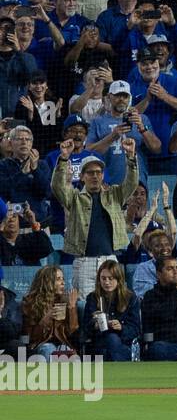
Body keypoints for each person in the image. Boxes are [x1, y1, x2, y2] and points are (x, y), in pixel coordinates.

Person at [52, 136, 139, 297]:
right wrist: (63, 158)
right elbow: (57, 186)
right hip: (84, 262)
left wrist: (131, 157)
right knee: (86, 306)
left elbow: (132, 184)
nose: (95, 176)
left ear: (103, 175)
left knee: (112, 302)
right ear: (82, 176)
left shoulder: (114, 194)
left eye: (99, 172)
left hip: (110, 260)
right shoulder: (75, 198)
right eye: (90, 172)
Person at [82, 259, 141, 362]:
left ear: (119, 279)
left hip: (122, 343)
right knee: (108, 342)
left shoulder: (131, 298)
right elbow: (85, 328)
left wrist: (121, 327)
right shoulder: (93, 298)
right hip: (98, 344)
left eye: (111, 278)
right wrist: (95, 324)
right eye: (103, 278)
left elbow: (135, 329)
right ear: (99, 280)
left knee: (112, 339)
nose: (107, 282)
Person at [20, 265, 78, 361]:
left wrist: (71, 308)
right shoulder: (30, 302)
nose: (63, 283)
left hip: (62, 343)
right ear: (47, 282)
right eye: (58, 279)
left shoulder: (64, 301)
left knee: (69, 353)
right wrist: (45, 320)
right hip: (40, 344)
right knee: (48, 349)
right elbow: (29, 337)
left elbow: (71, 332)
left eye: (63, 279)